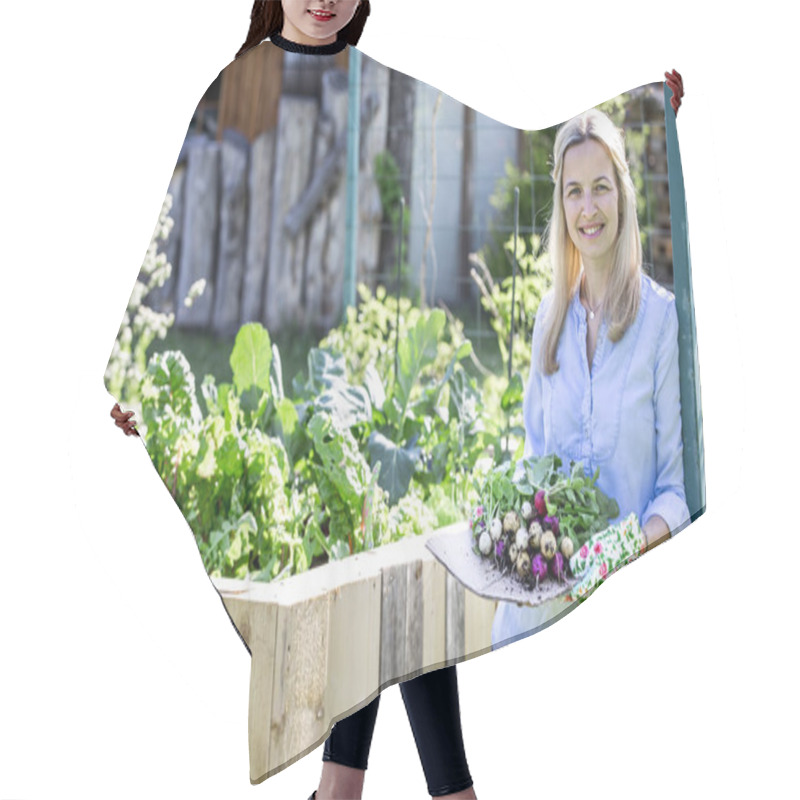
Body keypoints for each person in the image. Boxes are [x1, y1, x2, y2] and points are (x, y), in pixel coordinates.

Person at [113, 2, 476, 798]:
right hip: (281, 389)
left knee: (401, 574)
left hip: (371, 381)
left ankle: (353, 790)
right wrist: (146, 367)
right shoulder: (240, 82)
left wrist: (639, 126)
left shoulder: (380, 88)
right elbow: (187, 238)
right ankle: (409, 791)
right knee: (360, 582)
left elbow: (421, 209)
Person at [491, 99, 690, 649]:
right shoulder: (548, 319)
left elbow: (675, 490)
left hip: (624, 607)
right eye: (573, 191)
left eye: (600, 186)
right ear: (560, 203)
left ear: (623, 194)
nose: (588, 208)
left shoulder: (659, 322)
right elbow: (532, 459)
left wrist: (619, 555)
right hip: (539, 606)